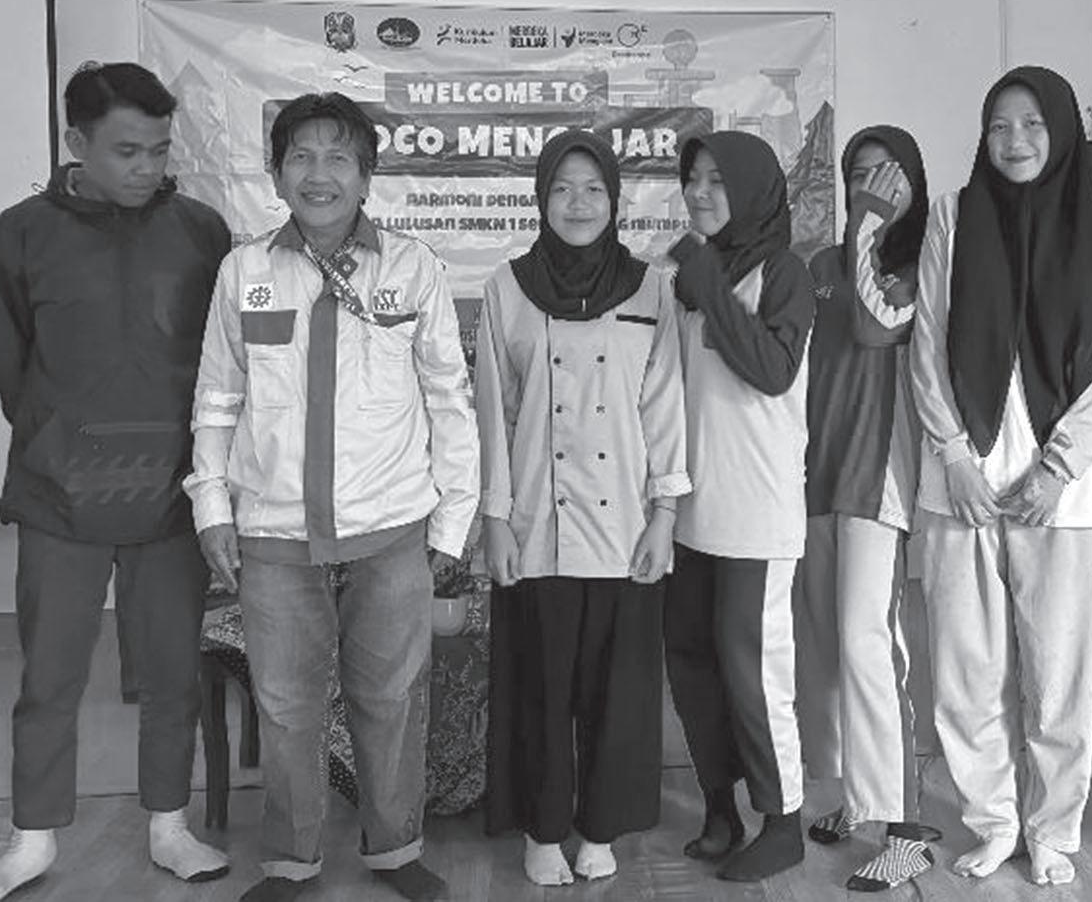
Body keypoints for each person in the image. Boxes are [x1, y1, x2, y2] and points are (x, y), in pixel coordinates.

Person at [186, 92, 479, 902]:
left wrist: (452, 521)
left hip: (392, 529)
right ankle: (292, 861)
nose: (320, 174)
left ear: (367, 176)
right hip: (275, 534)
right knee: (287, 708)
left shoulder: (412, 268)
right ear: (276, 173)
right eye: (301, 157)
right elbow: (218, 398)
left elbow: (450, 398)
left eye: (339, 157)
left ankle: (396, 849)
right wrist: (212, 506)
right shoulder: (244, 272)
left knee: (392, 699)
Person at [0, 62, 233, 901]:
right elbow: (7, 359)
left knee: (172, 673)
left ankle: (169, 825)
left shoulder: (201, 231)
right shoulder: (20, 233)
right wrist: (59, 434)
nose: (146, 167)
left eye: (159, 149)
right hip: (59, 495)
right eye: (125, 151)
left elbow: (222, 360)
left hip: (172, 495)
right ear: (76, 142)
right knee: (50, 677)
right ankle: (31, 839)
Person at [910, 65, 1092, 886]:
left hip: (1057, 495)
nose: (1015, 140)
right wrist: (953, 454)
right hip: (959, 485)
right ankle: (993, 820)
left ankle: (1053, 830)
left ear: (1064, 130)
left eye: (1034, 123)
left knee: (1059, 672)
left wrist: (1058, 467)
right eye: (1000, 124)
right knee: (966, 669)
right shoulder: (953, 216)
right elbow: (928, 341)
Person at [474, 130, 687, 887]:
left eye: (593, 188)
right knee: (541, 688)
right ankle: (542, 829)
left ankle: (599, 826)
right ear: (541, 198)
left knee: (617, 691)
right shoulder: (507, 287)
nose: (578, 203)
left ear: (615, 200)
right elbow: (493, 408)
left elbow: (665, 406)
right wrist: (495, 517)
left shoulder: (651, 287)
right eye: (562, 188)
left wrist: (666, 513)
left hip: (626, 523)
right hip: (537, 523)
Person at [661, 130, 816, 883]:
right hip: (689, 509)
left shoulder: (784, 273)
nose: (700, 192)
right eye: (693, 177)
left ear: (752, 189)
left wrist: (705, 281)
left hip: (756, 513)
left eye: (718, 180)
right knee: (692, 663)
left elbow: (770, 369)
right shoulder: (691, 274)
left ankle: (782, 821)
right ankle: (719, 807)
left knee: (753, 671)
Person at [793, 125, 941, 891]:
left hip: (876, 477)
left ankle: (907, 827)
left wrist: (870, 229)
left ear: (915, 182)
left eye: (889, 174)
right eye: (859, 174)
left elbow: (876, 324)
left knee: (867, 641)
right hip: (816, 476)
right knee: (825, 645)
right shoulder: (822, 266)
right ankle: (860, 795)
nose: (871, 185)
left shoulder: (918, 266)